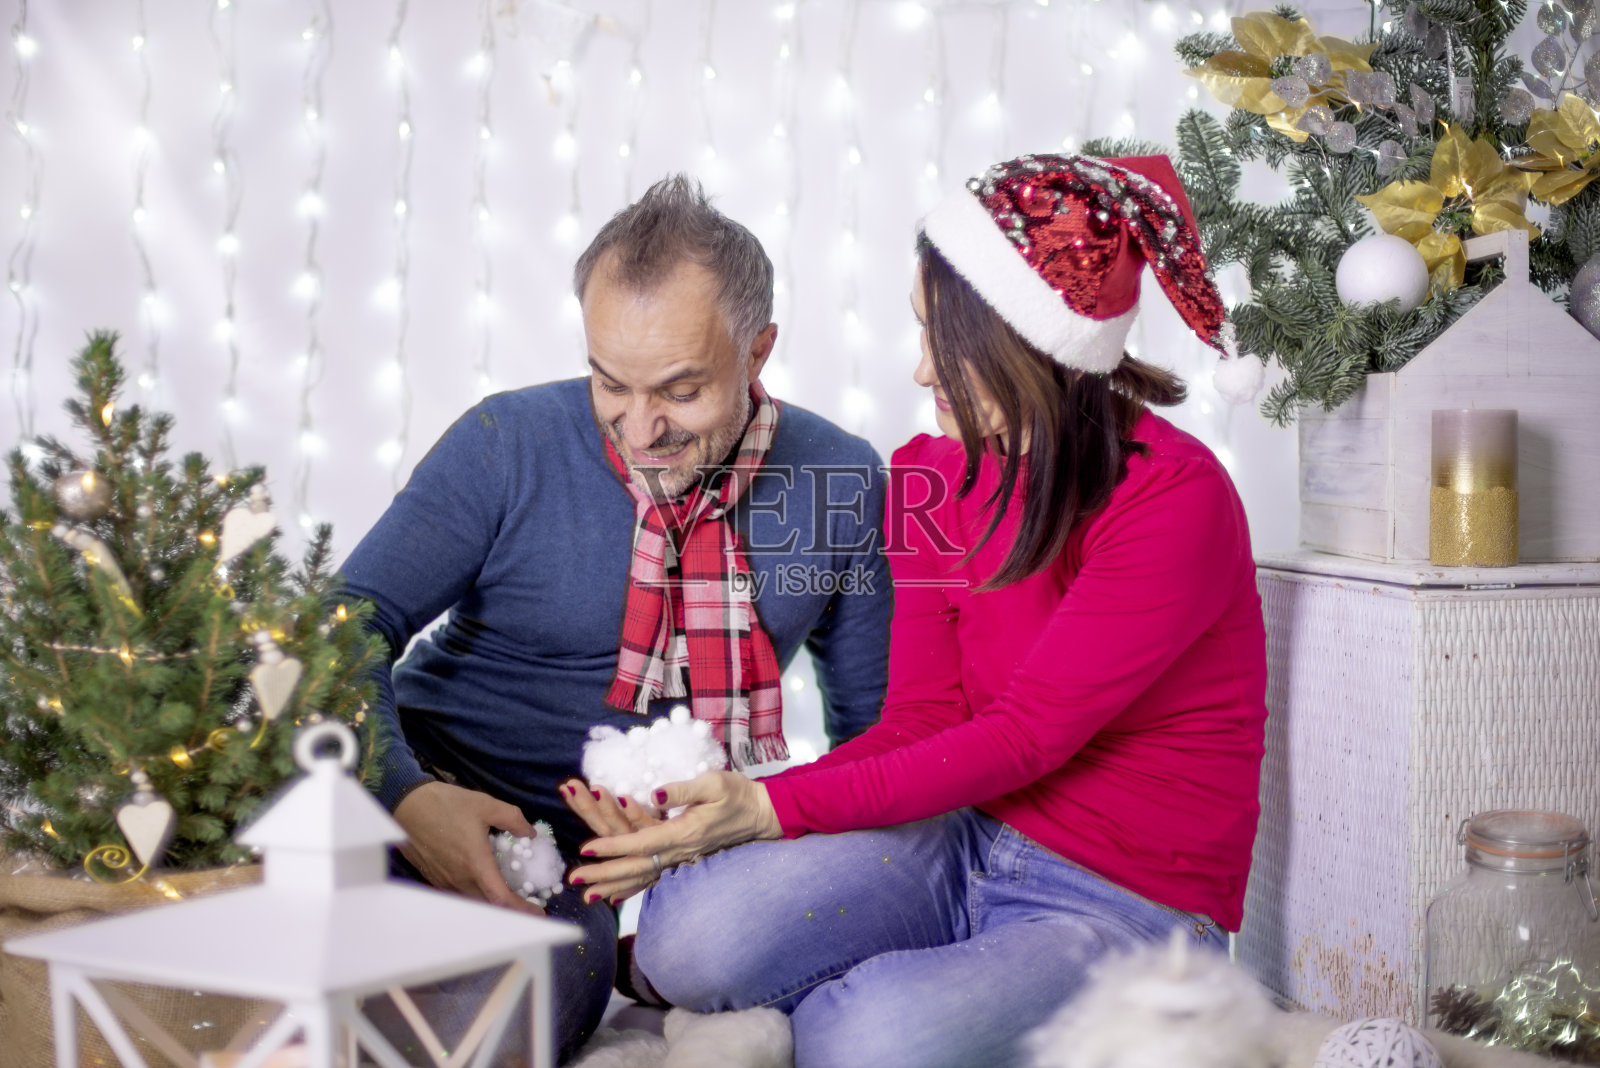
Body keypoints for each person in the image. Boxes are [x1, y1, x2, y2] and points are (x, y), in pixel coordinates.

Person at [562, 153, 1269, 1068]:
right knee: (683, 940)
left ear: (1028, 343)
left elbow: (1025, 738)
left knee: (868, 1040)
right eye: (919, 329)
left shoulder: (1173, 497)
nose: (922, 366)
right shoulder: (929, 477)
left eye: (948, 342)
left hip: (1124, 900)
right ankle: (916, 980)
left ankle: (897, 997)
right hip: (963, 830)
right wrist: (739, 810)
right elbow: (926, 718)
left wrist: (763, 815)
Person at [339, 175, 894, 1062]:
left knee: (552, 984)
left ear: (758, 352)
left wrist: (739, 818)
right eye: (611, 384)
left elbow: (880, 733)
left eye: (679, 390)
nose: (640, 431)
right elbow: (343, 624)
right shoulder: (506, 441)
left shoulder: (843, 483)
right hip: (419, 777)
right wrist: (405, 797)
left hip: (571, 863)